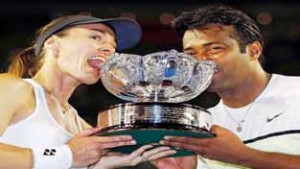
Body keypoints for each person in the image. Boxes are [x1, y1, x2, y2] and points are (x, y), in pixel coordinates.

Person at [0, 14, 177, 169]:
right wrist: (67, 155)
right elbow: (63, 157)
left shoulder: (83, 127)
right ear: (53, 44)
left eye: (113, 47)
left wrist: (95, 166)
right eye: (95, 37)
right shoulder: (12, 87)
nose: (109, 50)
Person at [161, 4, 300, 169]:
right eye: (191, 54)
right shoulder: (202, 122)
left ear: (253, 51)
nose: (201, 61)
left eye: (214, 49)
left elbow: (240, 156)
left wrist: (243, 156)